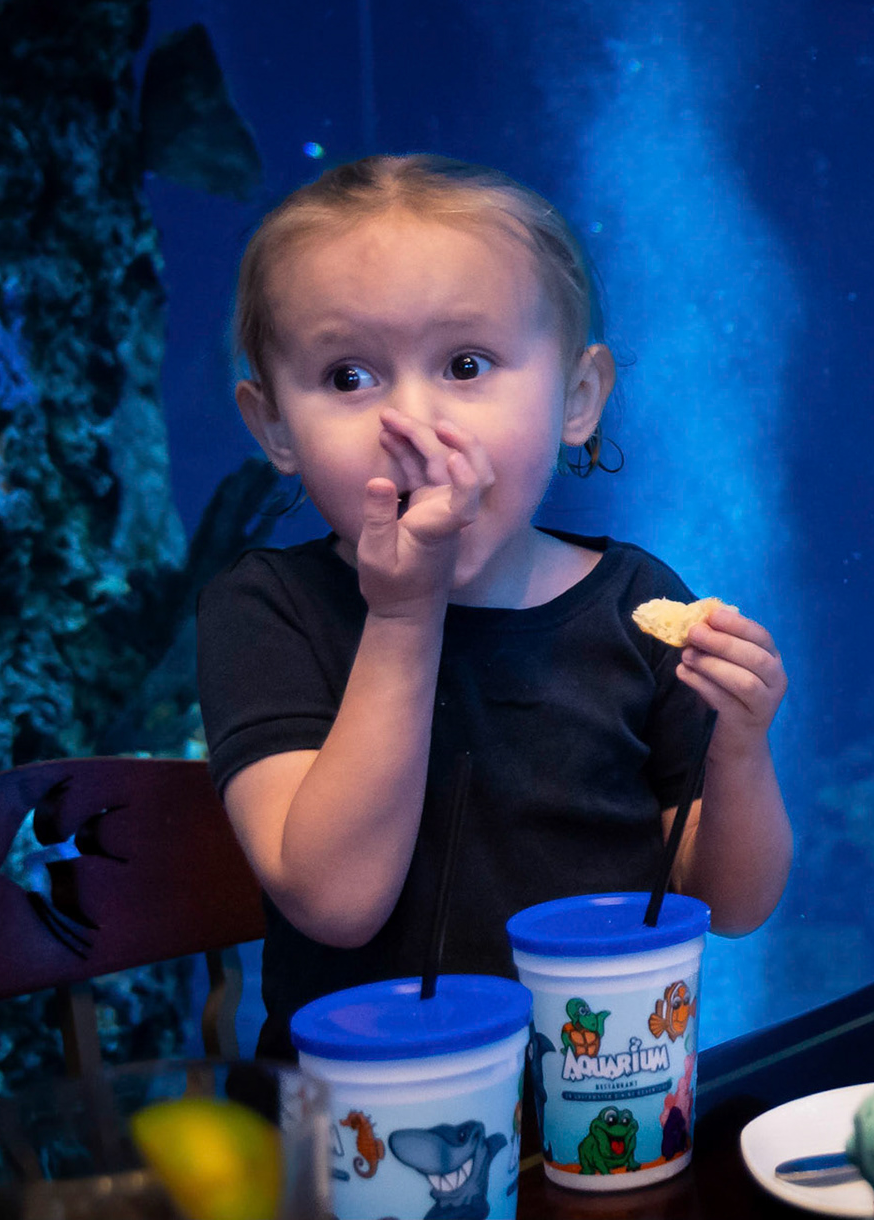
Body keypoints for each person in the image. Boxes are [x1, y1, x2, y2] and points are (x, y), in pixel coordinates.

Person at [195, 154, 792, 1060]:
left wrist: (741, 748)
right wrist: (403, 615)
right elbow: (338, 902)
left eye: (465, 364)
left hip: (598, 1114)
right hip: (360, 1137)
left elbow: (735, 904)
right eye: (350, 377)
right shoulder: (268, 610)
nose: (414, 424)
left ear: (578, 397)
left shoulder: (636, 606)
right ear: (274, 424)